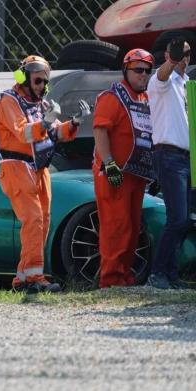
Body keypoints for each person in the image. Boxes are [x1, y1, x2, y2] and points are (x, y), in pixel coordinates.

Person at [0, 55, 90, 293]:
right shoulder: (8, 100)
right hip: (17, 165)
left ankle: (26, 278)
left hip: (39, 167)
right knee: (34, 219)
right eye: (37, 81)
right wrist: (45, 123)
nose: (42, 87)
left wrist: (75, 122)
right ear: (24, 78)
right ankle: (32, 279)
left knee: (43, 221)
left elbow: (57, 134)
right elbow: (23, 134)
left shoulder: (41, 104)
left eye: (44, 82)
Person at [92, 48, 158, 289]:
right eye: (138, 70)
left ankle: (124, 276)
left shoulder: (144, 99)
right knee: (116, 225)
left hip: (136, 173)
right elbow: (100, 130)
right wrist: (109, 163)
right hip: (114, 173)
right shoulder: (112, 97)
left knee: (131, 226)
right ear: (126, 71)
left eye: (147, 71)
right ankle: (110, 281)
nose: (144, 75)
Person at [146, 37, 192, 289]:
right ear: (168, 56)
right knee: (177, 219)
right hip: (169, 155)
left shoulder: (187, 85)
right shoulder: (161, 81)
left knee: (182, 219)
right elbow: (162, 76)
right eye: (178, 53)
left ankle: (171, 275)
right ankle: (158, 273)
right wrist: (172, 61)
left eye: (187, 54)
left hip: (186, 158)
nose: (184, 58)